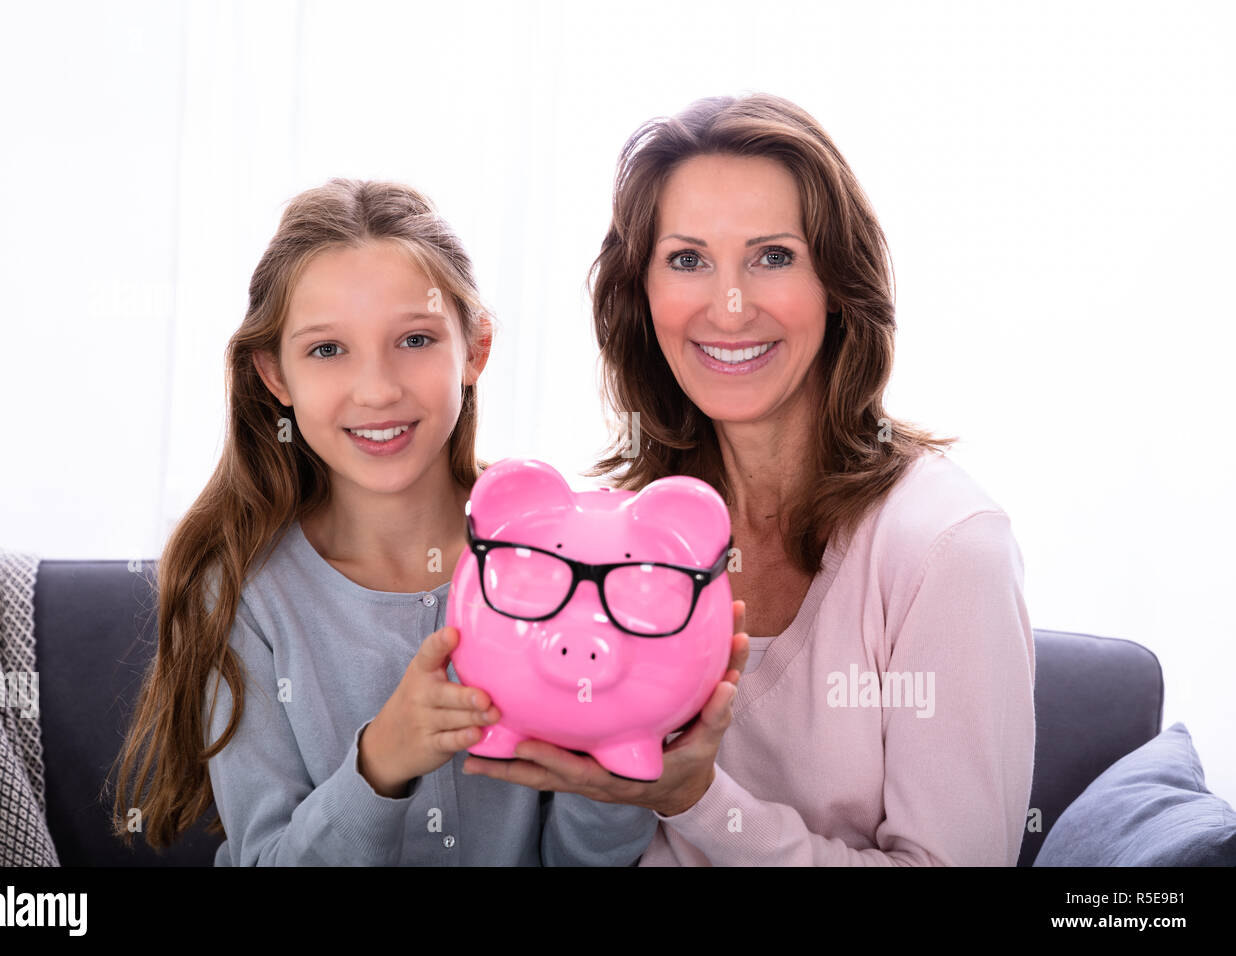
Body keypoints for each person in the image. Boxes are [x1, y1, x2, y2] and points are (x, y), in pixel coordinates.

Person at [463, 94, 1036, 866]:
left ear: (838, 286)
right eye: (688, 260)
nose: (728, 309)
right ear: (642, 294)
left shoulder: (946, 548)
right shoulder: (626, 529)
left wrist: (696, 799)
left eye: (772, 256)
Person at [109, 178, 657, 865]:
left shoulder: (564, 561)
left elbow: (586, 859)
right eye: (327, 350)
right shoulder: (244, 591)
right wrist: (380, 763)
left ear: (475, 350)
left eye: (416, 338)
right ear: (275, 376)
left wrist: (619, 766)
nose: (377, 389)